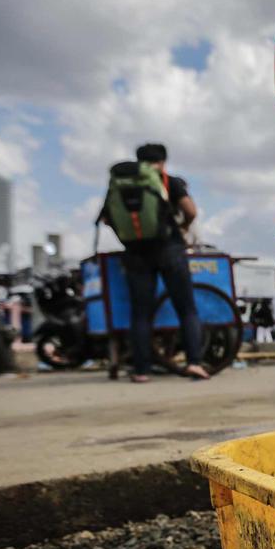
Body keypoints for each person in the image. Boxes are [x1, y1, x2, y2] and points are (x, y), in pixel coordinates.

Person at [109, 143, 209, 383]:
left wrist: (128, 237)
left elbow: (107, 217)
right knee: (186, 309)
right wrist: (182, 228)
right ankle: (194, 363)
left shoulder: (120, 184)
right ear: (163, 161)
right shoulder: (168, 181)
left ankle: (141, 370)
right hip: (169, 249)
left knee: (141, 314)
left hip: (135, 254)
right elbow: (191, 211)